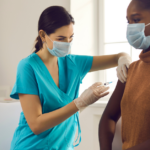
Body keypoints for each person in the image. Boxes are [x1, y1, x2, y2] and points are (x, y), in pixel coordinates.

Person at [10, 6, 131, 150]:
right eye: (61, 39)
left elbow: (119, 56)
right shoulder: (28, 67)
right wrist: (80, 103)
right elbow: (36, 125)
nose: (67, 44)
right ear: (43, 35)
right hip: (31, 146)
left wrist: (124, 59)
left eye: (71, 37)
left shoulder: (73, 63)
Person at [99, 0, 150, 150]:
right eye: (129, 22)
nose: (131, 28)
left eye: (136, 19)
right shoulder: (132, 69)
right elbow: (108, 117)